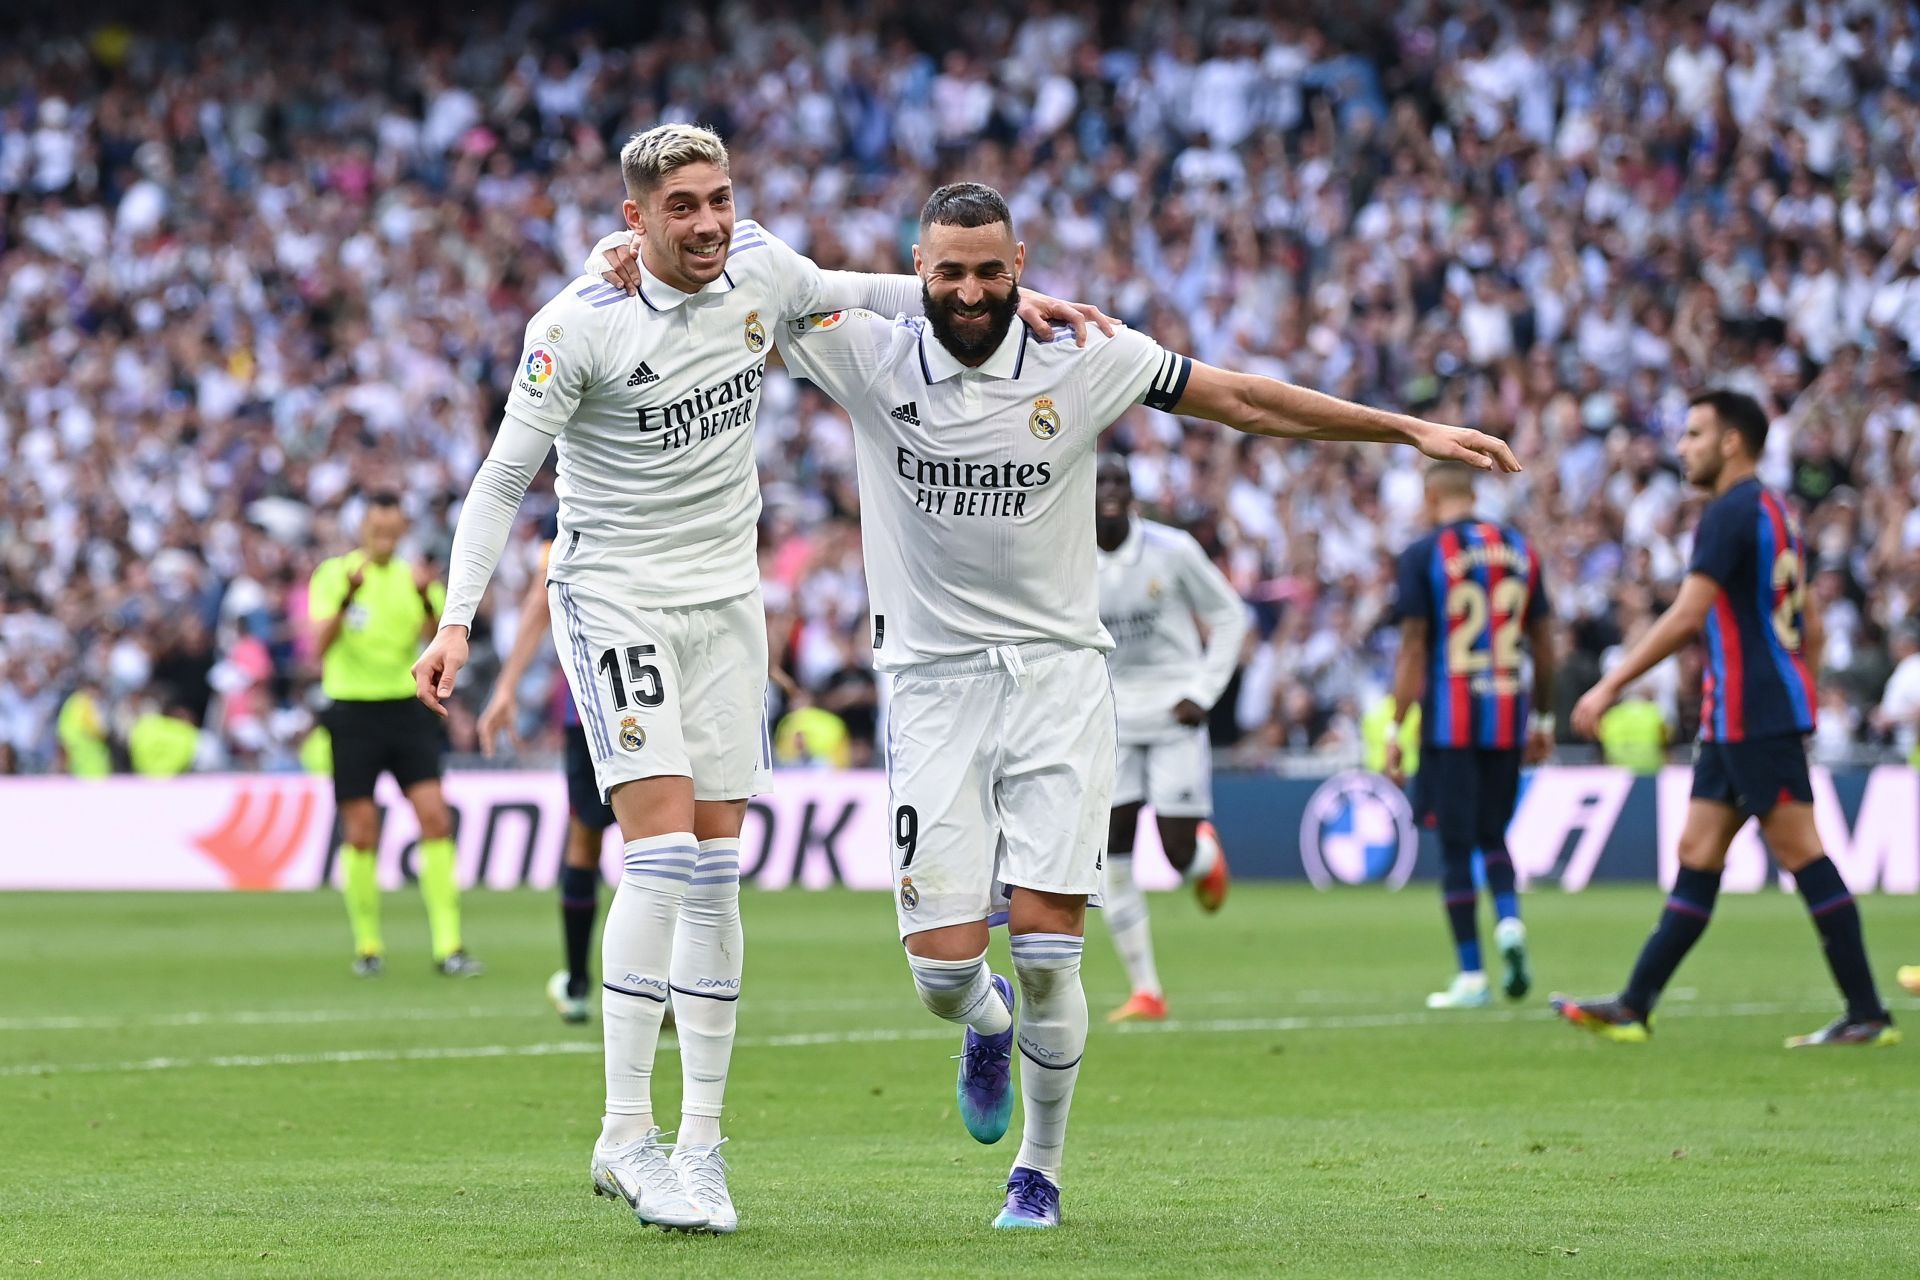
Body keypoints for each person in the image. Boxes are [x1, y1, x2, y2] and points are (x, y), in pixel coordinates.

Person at [772, 181, 1517, 1229]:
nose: (973, 292)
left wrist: (1406, 430)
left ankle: (1040, 1167)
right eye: (949, 271)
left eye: (992, 270)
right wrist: (626, 264)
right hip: (931, 688)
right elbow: (746, 277)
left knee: (1044, 948)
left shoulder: (1087, 354)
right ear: (917, 267)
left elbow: (1246, 401)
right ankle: (980, 1026)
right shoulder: (866, 351)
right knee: (946, 971)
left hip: (1062, 680)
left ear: (1023, 262)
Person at [410, 124, 1110, 1236]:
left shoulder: (761, 272)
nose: (707, 221)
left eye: (719, 197)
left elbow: (875, 286)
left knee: (719, 871)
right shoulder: (574, 326)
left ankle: (701, 1149)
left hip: (728, 600)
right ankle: (624, 1132)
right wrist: (458, 621)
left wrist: (1009, 303)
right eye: (680, 205)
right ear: (632, 219)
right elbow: (500, 482)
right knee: (669, 853)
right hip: (620, 594)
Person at [1556, 390, 1898, 1048]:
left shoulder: (1728, 511)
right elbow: (1813, 623)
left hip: (1752, 710)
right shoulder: (1774, 510)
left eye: (1693, 434)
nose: (1682, 448)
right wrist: (1801, 679)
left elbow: (1687, 615)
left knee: (1802, 851)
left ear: (1731, 442)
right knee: (1698, 851)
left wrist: (1609, 685)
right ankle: (1634, 1004)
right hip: (1738, 709)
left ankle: (1867, 1014)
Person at [1384, 462, 1555, 1009]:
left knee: (1456, 848)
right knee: (1493, 835)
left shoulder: (1422, 555)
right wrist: (1544, 719)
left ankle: (1472, 976)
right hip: (1506, 717)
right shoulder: (1519, 549)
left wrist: (1395, 724)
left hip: (1448, 724)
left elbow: (1413, 645)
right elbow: (1545, 644)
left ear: (1432, 495)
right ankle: (1509, 922)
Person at [1092, 454, 1249, 1023]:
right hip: (1109, 719)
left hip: (1175, 713)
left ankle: (1205, 858)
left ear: (1133, 495)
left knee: (1175, 850)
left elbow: (1230, 616)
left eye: (1118, 483)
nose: (1108, 492)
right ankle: (1146, 990)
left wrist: (1204, 692)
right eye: (1100, 482)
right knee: (1111, 851)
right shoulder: (1067, 553)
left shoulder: (1173, 550)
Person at [308, 492, 476, 978]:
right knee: (361, 830)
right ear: (362, 529)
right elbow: (317, 647)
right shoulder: (334, 576)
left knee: (436, 819)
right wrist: (347, 597)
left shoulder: (415, 579)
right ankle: (368, 946)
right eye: (375, 530)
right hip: (353, 712)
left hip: (406, 710)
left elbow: (437, 639)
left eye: (391, 530)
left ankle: (449, 945)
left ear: (401, 531)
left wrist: (427, 596)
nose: (383, 539)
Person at [477, 536, 619, 1026]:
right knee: (665, 844)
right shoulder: (666, 505)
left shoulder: (570, 526)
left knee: (585, 843)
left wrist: (507, 685)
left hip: (593, 708)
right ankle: (666, 987)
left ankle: (578, 985)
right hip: (666, 700)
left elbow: (542, 599)